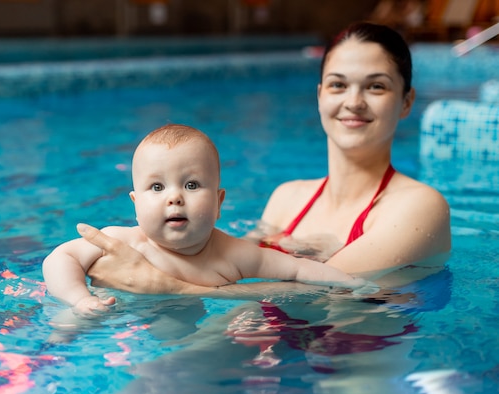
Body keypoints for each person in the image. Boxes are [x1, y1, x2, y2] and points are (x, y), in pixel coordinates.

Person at [78, 21, 451, 294]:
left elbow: (320, 293)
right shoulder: (287, 198)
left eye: (376, 86)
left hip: (355, 357)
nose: (353, 101)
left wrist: (160, 283)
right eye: (338, 84)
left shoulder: (418, 207)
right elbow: (218, 264)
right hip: (260, 340)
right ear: (321, 95)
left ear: (406, 102)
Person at [42, 124, 368, 315]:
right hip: (112, 321)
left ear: (218, 202)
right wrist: (79, 300)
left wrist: (354, 285)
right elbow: (60, 258)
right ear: (135, 204)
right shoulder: (122, 242)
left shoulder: (231, 254)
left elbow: (297, 267)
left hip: (186, 332)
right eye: (157, 187)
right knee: (67, 325)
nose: (175, 197)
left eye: (192, 184)